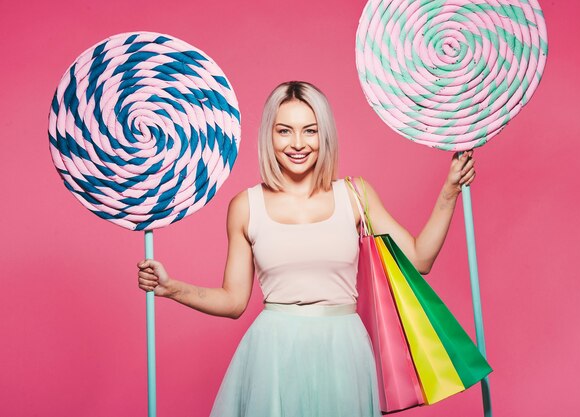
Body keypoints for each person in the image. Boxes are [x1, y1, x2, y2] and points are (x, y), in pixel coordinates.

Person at [137, 81, 475, 417]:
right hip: (273, 355)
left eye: (309, 131)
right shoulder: (245, 206)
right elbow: (234, 301)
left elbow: (420, 260)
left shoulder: (355, 195)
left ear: (323, 135)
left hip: (344, 350)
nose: (297, 144)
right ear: (269, 135)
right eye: (284, 131)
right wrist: (172, 288)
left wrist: (449, 192)